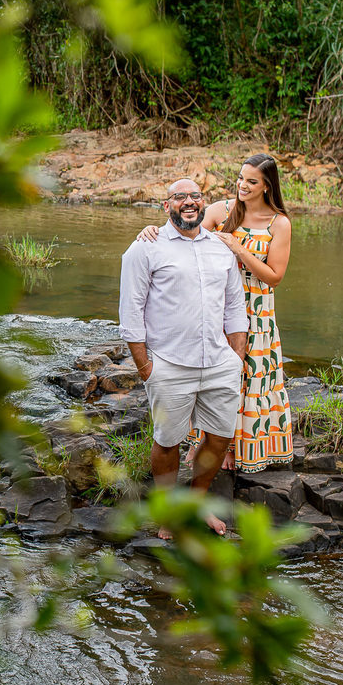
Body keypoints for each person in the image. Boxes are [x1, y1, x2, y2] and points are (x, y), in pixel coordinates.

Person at [137, 154, 293, 473]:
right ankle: (204, 444)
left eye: (251, 181)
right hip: (214, 303)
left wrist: (239, 249)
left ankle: (239, 447)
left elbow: (275, 276)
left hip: (257, 308)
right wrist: (151, 231)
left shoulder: (279, 223)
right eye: (240, 178)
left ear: (267, 187)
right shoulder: (222, 210)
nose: (242, 185)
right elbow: (185, 233)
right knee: (211, 375)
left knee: (250, 375)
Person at [119, 178, 248, 537]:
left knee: (220, 437)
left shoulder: (221, 248)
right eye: (180, 197)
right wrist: (146, 368)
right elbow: (130, 312)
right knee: (167, 440)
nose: (188, 202)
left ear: (203, 203)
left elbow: (236, 308)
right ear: (166, 206)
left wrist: (236, 359)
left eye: (195, 196)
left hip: (220, 363)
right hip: (169, 364)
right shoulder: (146, 248)